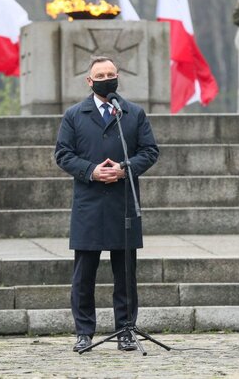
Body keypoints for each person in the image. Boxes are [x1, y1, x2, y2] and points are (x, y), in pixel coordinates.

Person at [54, 56, 160, 353]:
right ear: (89, 81)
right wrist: (92, 171)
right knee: (84, 275)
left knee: (125, 275)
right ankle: (84, 332)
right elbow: (63, 154)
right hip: (88, 204)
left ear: (118, 77)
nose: (106, 78)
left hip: (123, 202)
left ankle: (125, 330)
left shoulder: (133, 113)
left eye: (110, 73)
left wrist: (125, 168)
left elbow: (150, 151)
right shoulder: (74, 115)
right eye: (99, 74)